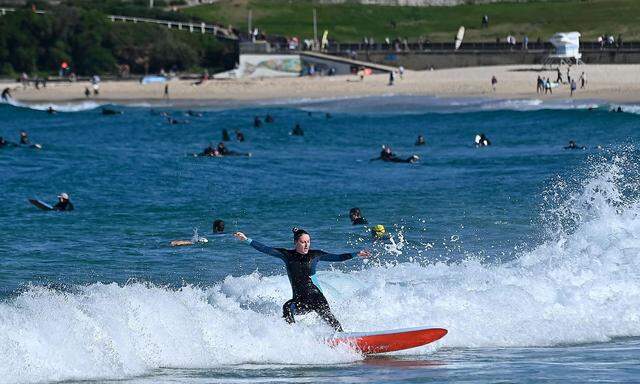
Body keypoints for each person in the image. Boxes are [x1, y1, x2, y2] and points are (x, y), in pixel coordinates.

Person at [234, 228, 370, 331]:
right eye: (303, 242)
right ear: (295, 242)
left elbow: (338, 257)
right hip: (300, 300)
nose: (306, 245)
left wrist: (356, 254)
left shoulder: (315, 255)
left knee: (329, 318)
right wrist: (246, 239)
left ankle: (342, 336)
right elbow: (266, 249)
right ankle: (293, 336)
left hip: (316, 297)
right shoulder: (287, 255)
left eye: (308, 242)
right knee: (287, 307)